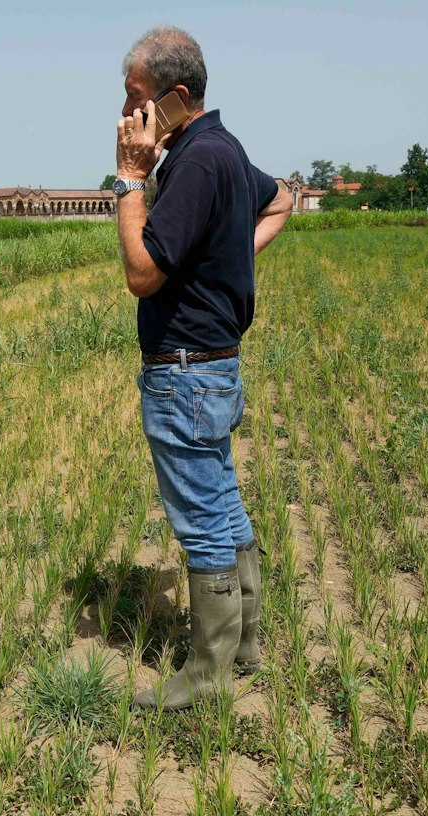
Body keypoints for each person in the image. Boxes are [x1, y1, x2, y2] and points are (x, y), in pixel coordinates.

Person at [113, 26, 293, 711]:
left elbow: (140, 272)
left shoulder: (192, 162)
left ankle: (210, 672)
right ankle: (242, 647)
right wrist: (229, 260)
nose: (129, 116)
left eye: (137, 101)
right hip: (213, 369)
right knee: (222, 502)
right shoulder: (225, 149)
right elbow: (282, 199)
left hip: (185, 373)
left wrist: (130, 178)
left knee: (203, 519)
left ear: (176, 96)